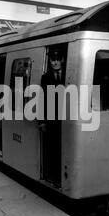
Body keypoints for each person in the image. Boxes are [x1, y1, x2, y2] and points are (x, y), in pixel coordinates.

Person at [40, 48, 66, 187]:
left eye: (57, 60)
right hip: (51, 118)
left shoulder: (69, 75)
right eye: (52, 60)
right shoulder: (46, 77)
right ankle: (55, 178)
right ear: (50, 61)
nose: (55, 63)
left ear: (62, 60)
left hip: (67, 117)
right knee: (53, 148)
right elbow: (42, 99)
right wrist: (42, 121)